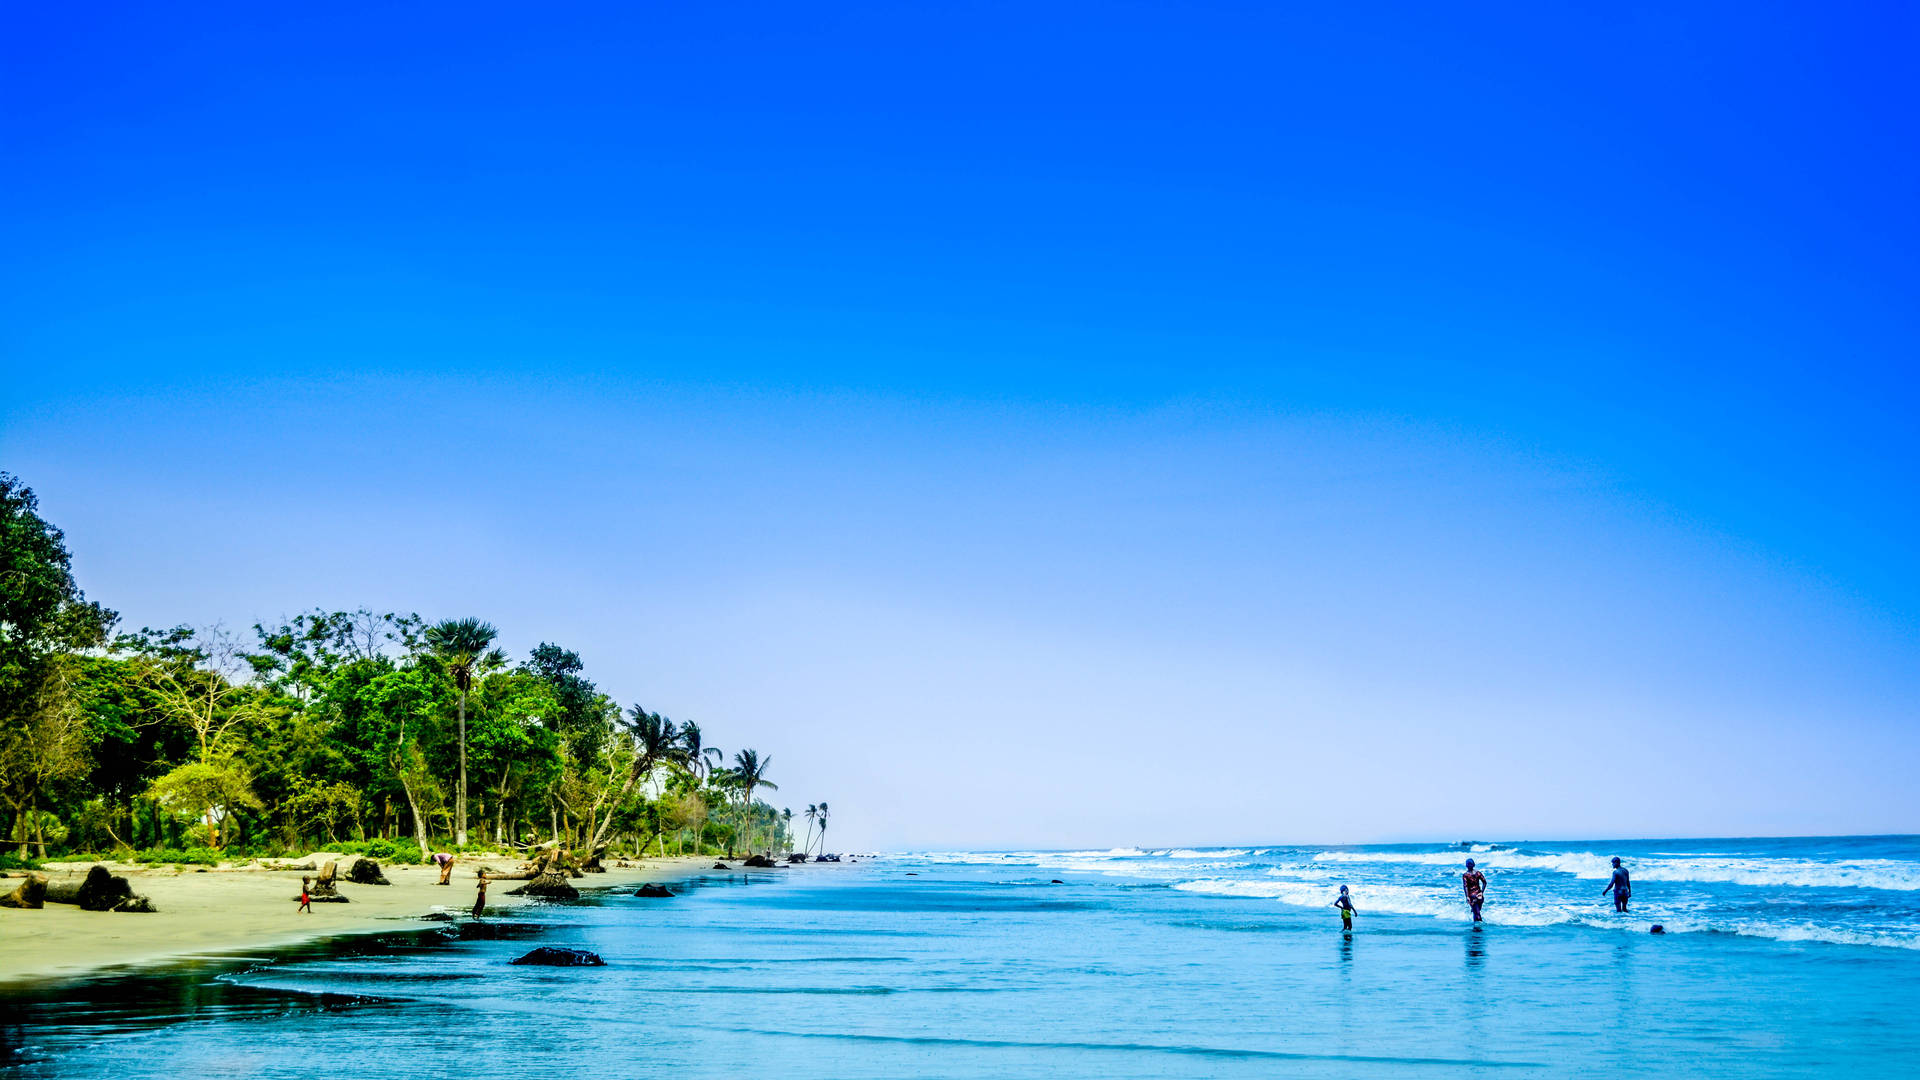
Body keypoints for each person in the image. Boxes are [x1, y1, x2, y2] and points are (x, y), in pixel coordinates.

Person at [1462, 858, 1487, 923]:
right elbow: (1484, 882)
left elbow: (1465, 886)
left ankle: (1479, 928)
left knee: (1476, 913)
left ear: (1466, 865)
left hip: (1472, 896)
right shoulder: (1478, 873)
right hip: (1479, 896)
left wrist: (1467, 896)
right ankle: (1477, 928)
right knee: (1477, 912)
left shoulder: (1466, 875)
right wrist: (1481, 892)